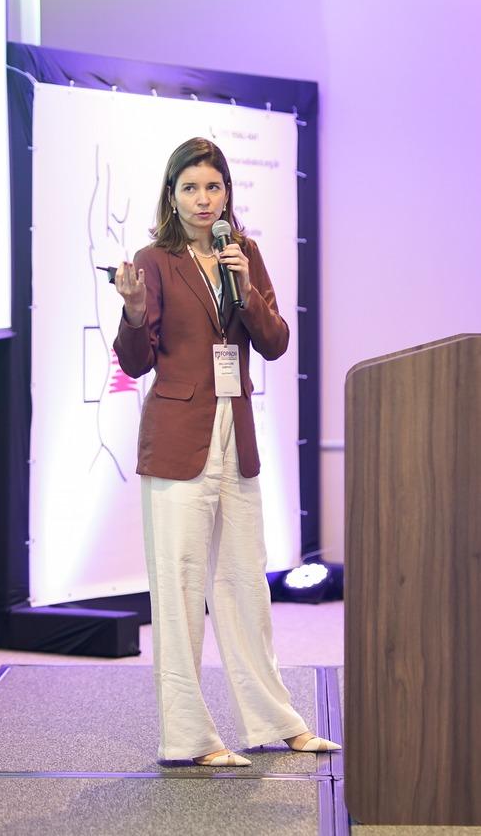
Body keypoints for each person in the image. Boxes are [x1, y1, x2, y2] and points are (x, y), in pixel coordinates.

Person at [113, 137, 340, 766]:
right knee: (181, 587)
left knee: (245, 583)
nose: (203, 199)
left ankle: (274, 720)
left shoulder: (245, 253)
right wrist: (134, 310)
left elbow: (275, 342)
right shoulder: (155, 261)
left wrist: (245, 284)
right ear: (172, 195)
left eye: (213, 186)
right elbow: (135, 363)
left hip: (235, 435)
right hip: (176, 437)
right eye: (190, 187)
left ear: (227, 192)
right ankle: (189, 738)